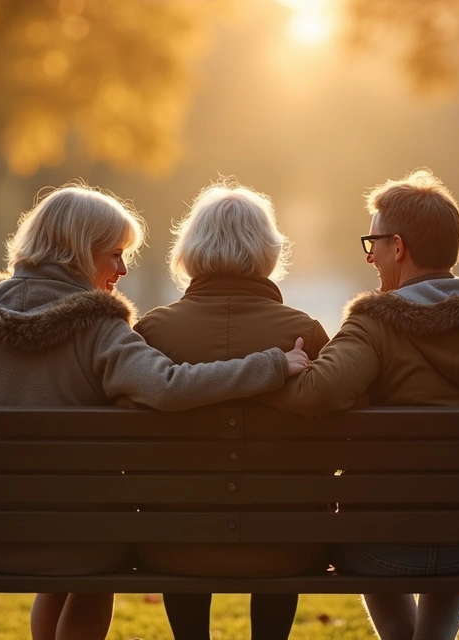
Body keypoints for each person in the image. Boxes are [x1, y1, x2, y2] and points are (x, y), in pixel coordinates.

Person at [0, 182, 313, 640]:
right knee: (92, 572)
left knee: (71, 539)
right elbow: (168, 385)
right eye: (114, 254)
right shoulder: (99, 326)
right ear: (80, 251)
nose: (121, 269)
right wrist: (271, 364)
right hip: (83, 543)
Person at [267, 168, 459, 640]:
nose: (370, 256)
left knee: (376, 526)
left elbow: (316, 393)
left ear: (398, 247)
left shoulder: (374, 324)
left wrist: (266, 371)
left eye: (372, 242)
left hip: (381, 546)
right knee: (458, 510)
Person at [132, 180, 330, 640]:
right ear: (268, 251)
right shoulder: (304, 332)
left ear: (191, 250)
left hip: (172, 548)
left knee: (183, 512)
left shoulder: (152, 332)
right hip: (289, 548)